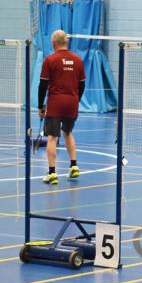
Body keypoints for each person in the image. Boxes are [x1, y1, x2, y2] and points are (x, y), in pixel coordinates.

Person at [37, 29, 86, 184]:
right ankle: (74, 166)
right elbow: (82, 85)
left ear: (53, 43)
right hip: (72, 103)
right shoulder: (78, 60)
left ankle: (52, 173)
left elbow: (43, 85)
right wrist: (76, 100)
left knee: (52, 137)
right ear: (67, 42)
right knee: (68, 132)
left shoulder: (50, 60)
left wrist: (40, 106)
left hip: (56, 103)